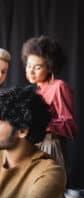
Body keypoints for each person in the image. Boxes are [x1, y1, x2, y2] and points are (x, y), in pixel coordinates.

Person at [21, 35, 78, 171]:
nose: (31, 71)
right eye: (29, 66)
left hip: (50, 146)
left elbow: (71, 127)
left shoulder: (59, 86)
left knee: (50, 189)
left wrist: (42, 123)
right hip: (33, 146)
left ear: (50, 68)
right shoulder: (36, 91)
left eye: (38, 67)